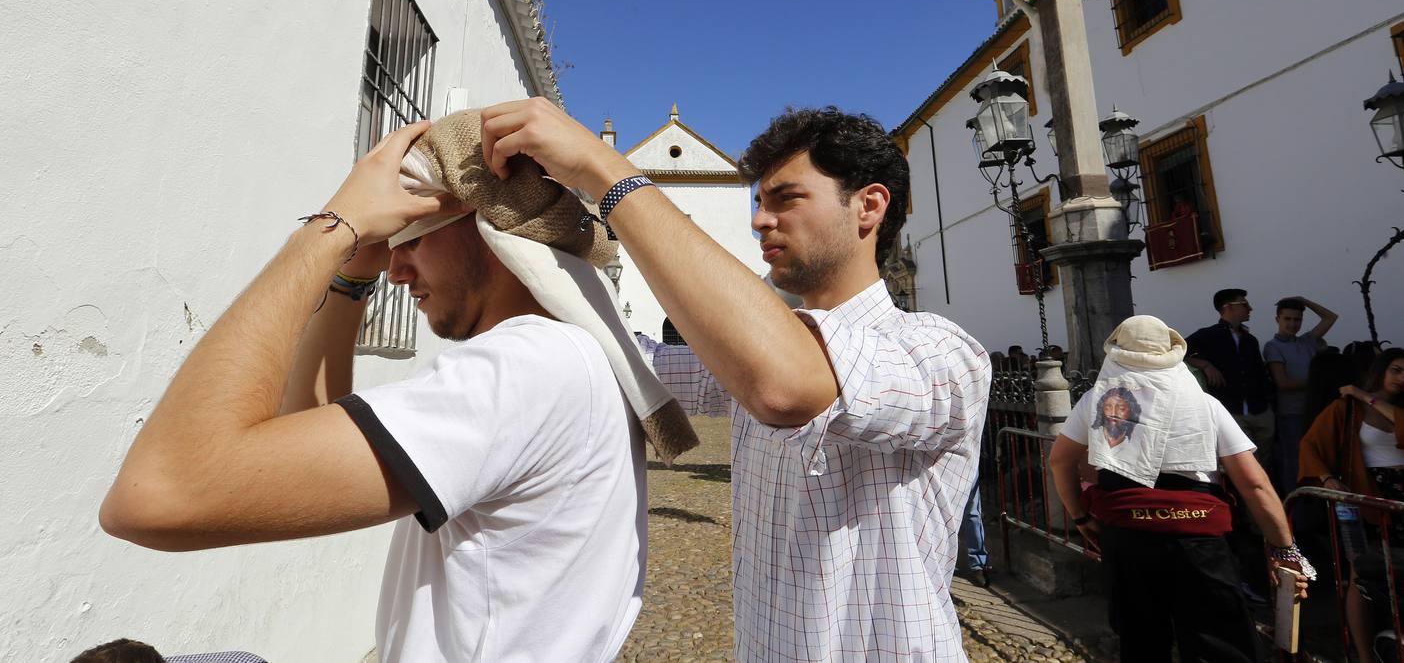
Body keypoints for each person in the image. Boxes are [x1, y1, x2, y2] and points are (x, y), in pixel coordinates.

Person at [100, 113, 676, 663]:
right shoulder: (566, 356)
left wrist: (328, 229)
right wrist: (353, 273)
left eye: (414, 237)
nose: (395, 270)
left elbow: (157, 495)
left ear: (491, 228)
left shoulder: (528, 367)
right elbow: (306, 424)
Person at [479, 100, 990, 661]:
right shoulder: (754, 353)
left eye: (786, 199)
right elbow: (631, 361)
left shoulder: (943, 353)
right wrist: (522, 240)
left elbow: (787, 386)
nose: (759, 220)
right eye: (757, 201)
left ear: (868, 206)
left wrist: (608, 175)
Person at [1048, 315, 1311, 663]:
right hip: (1197, 536)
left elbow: (1060, 461)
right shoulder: (1206, 405)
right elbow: (1255, 484)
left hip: (1128, 536)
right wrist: (1283, 548)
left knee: (1141, 641)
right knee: (1219, 643)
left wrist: (1081, 519)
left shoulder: (1097, 403)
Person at [1298, 348, 1404, 663]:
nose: (1402, 378)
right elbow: (1311, 445)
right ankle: (1362, 653)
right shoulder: (1345, 408)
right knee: (1362, 572)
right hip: (1367, 493)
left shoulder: (1370, 401)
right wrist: (1328, 479)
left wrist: (1364, 395)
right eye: (1396, 369)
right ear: (1382, 370)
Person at [1186, 289, 1275, 467]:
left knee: (1267, 460)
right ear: (1228, 308)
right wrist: (1204, 364)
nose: (1250, 308)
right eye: (1244, 304)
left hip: (1260, 410)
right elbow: (1178, 350)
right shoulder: (1208, 335)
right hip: (1231, 411)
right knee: (1247, 463)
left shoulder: (1251, 340)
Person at [1262, 296, 1338, 490]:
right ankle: (1295, 512)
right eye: (1287, 319)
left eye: (1297, 319)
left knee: (1322, 459)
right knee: (1294, 462)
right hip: (1291, 414)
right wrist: (1318, 383)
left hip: (1316, 410)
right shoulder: (1273, 346)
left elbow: (1330, 317)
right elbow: (1283, 383)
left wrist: (1304, 301)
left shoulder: (1309, 341)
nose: (1293, 324)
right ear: (1277, 319)